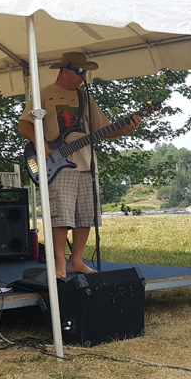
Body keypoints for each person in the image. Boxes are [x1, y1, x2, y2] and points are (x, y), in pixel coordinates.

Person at [18, 52, 141, 279]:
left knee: (86, 215)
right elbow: (24, 124)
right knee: (61, 215)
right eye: (78, 71)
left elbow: (101, 129)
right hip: (55, 163)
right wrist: (39, 141)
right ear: (62, 70)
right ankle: (59, 264)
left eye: (84, 72)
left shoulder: (86, 98)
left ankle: (76, 261)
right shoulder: (45, 95)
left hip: (87, 163)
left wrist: (125, 128)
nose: (82, 75)